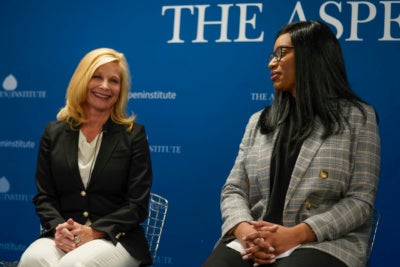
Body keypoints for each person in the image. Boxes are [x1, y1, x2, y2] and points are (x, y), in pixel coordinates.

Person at [202, 20, 380, 267]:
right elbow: (233, 189)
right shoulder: (258, 121)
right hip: (255, 238)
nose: (271, 63)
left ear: (312, 55)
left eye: (281, 53)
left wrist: (295, 234)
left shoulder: (358, 118)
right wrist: (245, 231)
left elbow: (360, 201)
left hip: (323, 241)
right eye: (272, 55)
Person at [18, 48, 153, 267]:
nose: (105, 86)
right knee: (32, 260)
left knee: (74, 265)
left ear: (121, 89)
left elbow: (137, 205)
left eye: (114, 80)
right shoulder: (53, 133)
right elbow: (44, 197)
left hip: (116, 238)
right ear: (82, 80)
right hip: (63, 235)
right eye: (97, 77)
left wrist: (95, 231)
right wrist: (58, 228)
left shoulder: (133, 135)